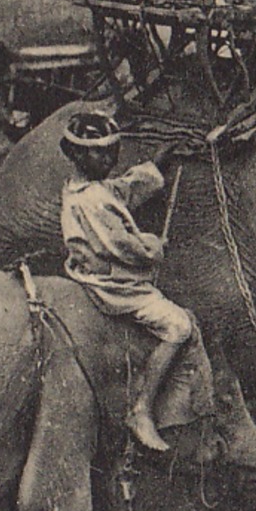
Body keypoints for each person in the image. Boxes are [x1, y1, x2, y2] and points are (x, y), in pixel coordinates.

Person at [59, 112, 195, 453]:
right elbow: (123, 245)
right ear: (76, 154)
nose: (110, 159)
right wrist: (152, 248)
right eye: (99, 153)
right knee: (179, 326)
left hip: (98, 274)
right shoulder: (91, 201)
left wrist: (158, 162)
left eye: (113, 150)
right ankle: (142, 409)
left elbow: (123, 190)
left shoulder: (87, 188)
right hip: (114, 288)